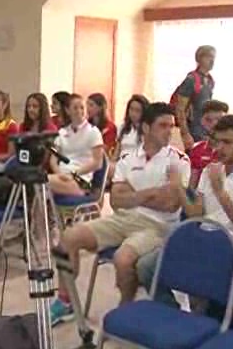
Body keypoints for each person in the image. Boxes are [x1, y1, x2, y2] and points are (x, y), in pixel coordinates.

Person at [50, 102, 190, 325]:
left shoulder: (178, 160)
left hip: (158, 226)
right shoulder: (127, 159)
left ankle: (125, 310)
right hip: (124, 219)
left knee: (122, 259)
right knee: (68, 238)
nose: (169, 131)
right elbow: (115, 200)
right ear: (146, 128)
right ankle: (65, 301)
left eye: (171, 126)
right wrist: (152, 193)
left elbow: (171, 203)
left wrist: (134, 195)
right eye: (163, 125)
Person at [137, 115, 233, 324]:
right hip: (201, 240)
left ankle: (202, 320)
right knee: (146, 266)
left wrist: (220, 191)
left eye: (227, 142)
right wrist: (179, 189)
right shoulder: (212, 170)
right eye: (217, 141)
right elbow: (196, 215)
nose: (219, 148)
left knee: (211, 312)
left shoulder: (217, 178)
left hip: (231, 250)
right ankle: (176, 318)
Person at [48, 93, 104, 197]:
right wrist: (60, 174)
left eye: (82, 108)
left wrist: (74, 174)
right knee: (41, 187)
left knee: (42, 183)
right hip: (62, 176)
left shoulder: (93, 132)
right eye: (75, 108)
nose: (79, 111)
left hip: (81, 180)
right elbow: (53, 160)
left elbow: (98, 163)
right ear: (67, 110)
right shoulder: (62, 132)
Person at [176, 45, 216, 151]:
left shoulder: (211, 81)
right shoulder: (191, 80)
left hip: (206, 132)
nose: (212, 60)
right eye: (208, 57)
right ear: (199, 59)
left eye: (213, 57)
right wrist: (185, 134)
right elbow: (180, 109)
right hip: (193, 132)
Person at [188, 100, 229, 188]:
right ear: (202, 121)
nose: (214, 124)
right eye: (209, 120)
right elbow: (192, 186)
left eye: (219, 120)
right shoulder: (196, 149)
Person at [112, 94, 150, 161]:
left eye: (137, 110)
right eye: (131, 109)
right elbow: (117, 151)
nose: (133, 113)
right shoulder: (122, 127)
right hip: (122, 162)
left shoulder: (148, 130)